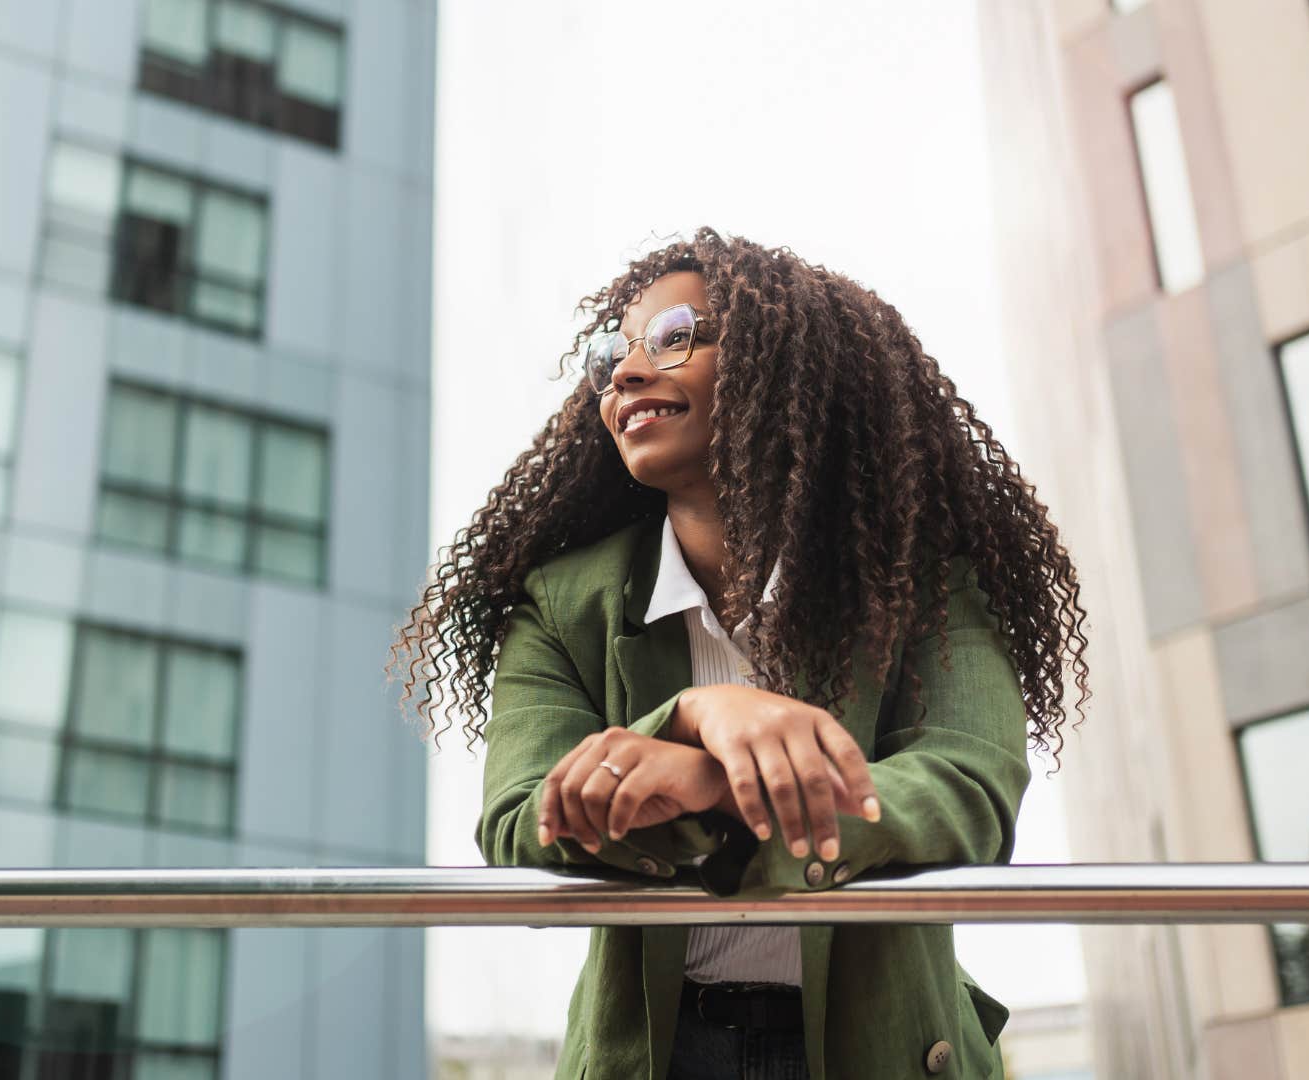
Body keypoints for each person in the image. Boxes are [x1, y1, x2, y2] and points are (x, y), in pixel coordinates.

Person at [393, 228, 1089, 1080]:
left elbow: (967, 794)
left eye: (676, 336)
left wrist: (718, 787)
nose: (624, 372)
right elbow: (518, 827)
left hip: (882, 1052)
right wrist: (693, 715)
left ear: (782, 370)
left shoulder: (919, 583)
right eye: (612, 352)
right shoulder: (560, 603)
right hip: (656, 1056)